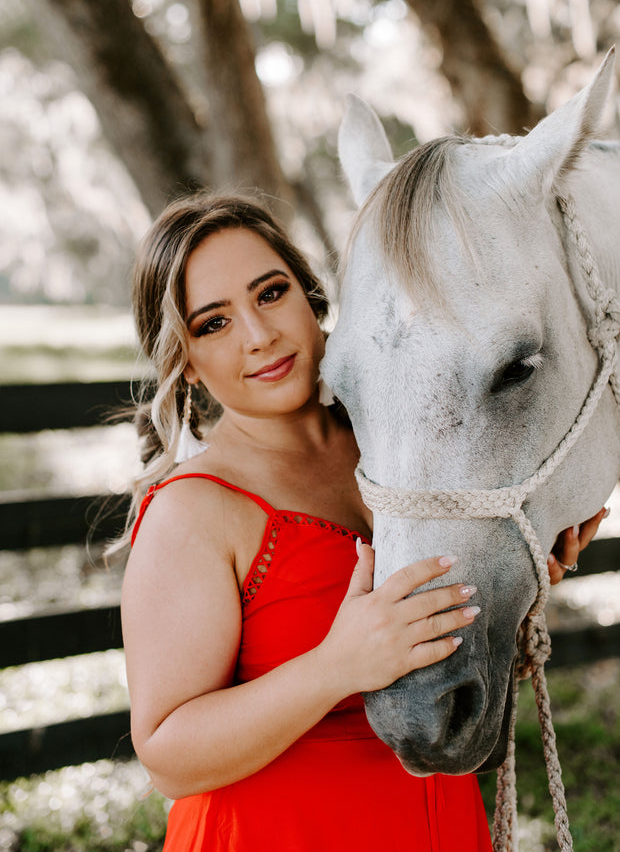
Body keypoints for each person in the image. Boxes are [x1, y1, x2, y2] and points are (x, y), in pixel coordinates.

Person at [120, 193, 606, 851]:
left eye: (270, 293)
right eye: (214, 323)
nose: (258, 335)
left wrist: (519, 591)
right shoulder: (194, 510)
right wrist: (336, 667)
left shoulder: (407, 456)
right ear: (188, 363)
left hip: (436, 823)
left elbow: (441, 664)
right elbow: (167, 756)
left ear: (312, 297)